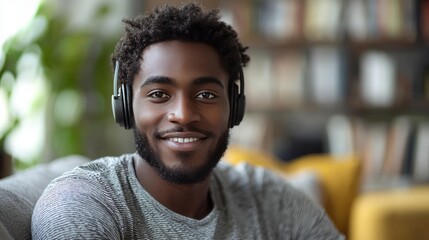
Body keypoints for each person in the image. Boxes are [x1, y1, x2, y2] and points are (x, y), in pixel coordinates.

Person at [32, 3, 344, 239]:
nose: (182, 114)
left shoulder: (270, 199)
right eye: (158, 93)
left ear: (234, 107)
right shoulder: (82, 205)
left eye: (206, 94)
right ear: (126, 106)